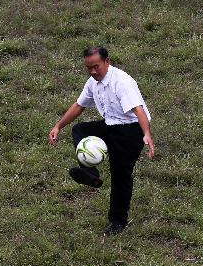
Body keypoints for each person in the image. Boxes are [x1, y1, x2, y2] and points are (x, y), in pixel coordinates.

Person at [48, 46, 155, 235]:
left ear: (107, 62)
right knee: (80, 129)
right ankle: (90, 174)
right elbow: (79, 105)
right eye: (88, 68)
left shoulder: (122, 82)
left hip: (131, 131)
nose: (93, 71)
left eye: (96, 66)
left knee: (120, 175)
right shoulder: (92, 82)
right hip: (111, 125)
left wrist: (147, 133)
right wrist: (58, 126)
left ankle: (117, 222)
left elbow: (138, 109)